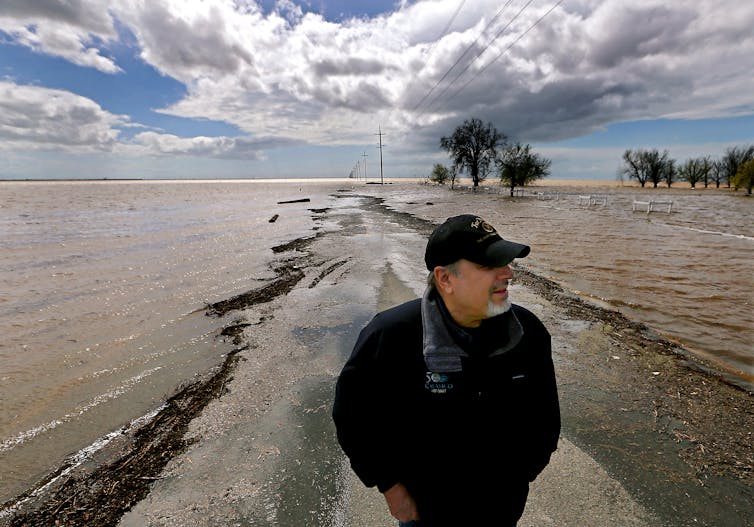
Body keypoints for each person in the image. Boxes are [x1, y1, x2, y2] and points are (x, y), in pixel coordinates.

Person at [332, 214, 560, 526]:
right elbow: (353, 416)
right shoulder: (391, 334)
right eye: (488, 265)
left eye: (506, 262)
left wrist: (521, 476)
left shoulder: (527, 332)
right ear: (445, 279)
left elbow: (545, 417)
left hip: (501, 508)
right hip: (425, 511)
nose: (507, 273)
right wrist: (389, 486)